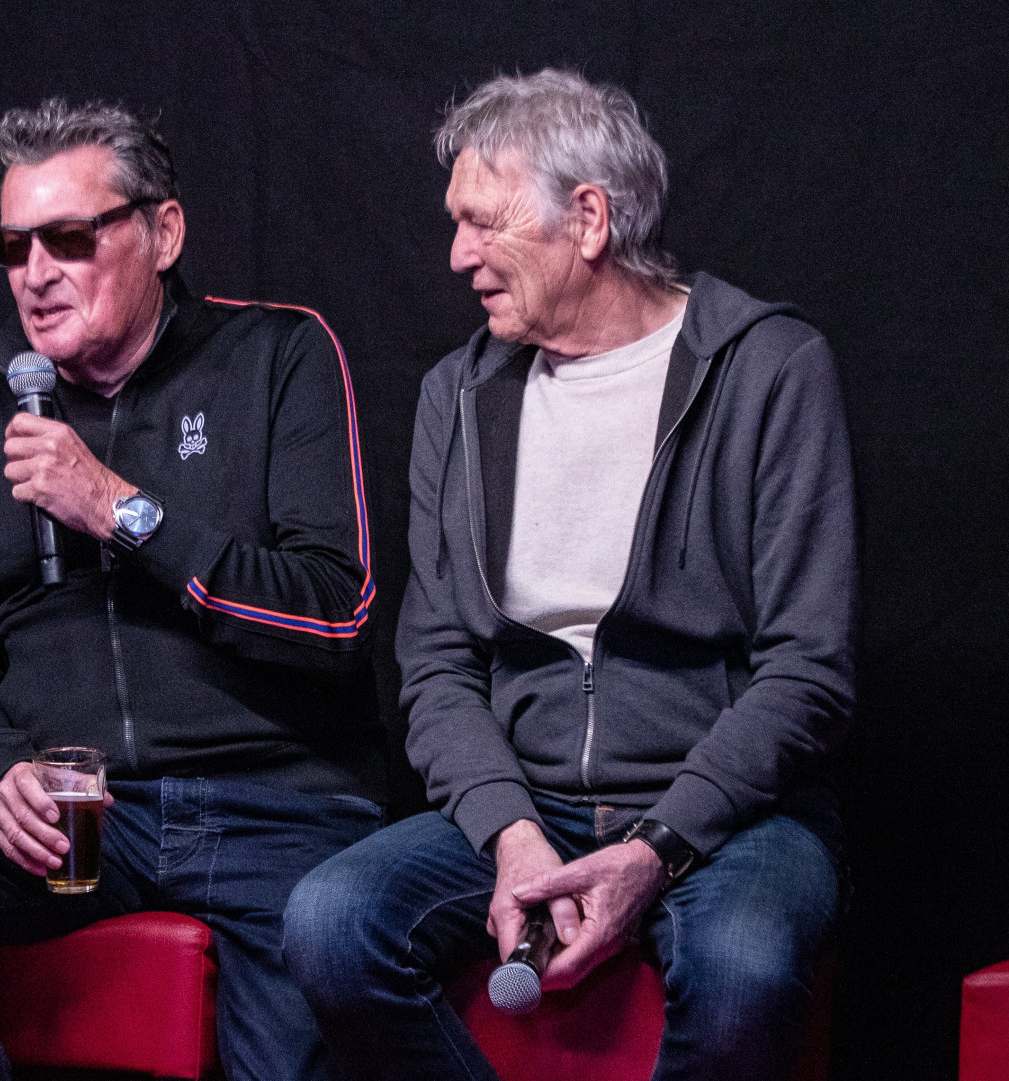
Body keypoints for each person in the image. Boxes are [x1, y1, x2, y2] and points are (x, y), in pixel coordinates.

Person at [283, 69, 854, 1081]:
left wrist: (658, 846)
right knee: (331, 923)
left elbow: (808, 669)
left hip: (731, 816)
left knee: (743, 971)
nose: (458, 255)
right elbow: (437, 662)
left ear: (588, 219)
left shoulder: (770, 367)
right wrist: (509, 832)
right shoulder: (459, 394)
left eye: (483, 222)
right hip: (529, 801)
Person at [0, 98, 385, 1081]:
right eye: (12, 245)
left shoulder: (278, 356)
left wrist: (120, 509)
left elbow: (336, 616)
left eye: (69, 238)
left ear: (164, 233)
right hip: (83, 820)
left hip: (277, 814)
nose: (34, 273)